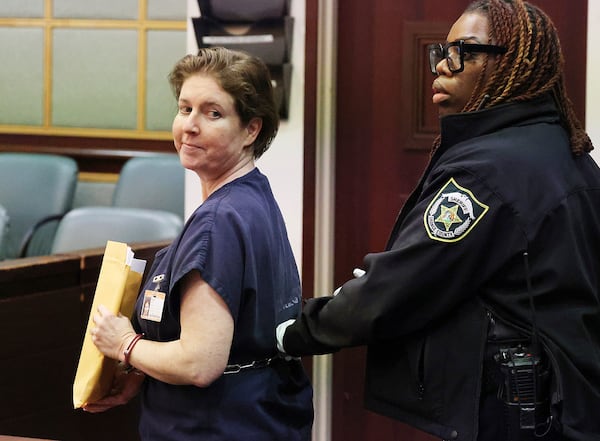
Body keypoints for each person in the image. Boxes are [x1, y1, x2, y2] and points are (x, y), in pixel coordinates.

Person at [277, 1, 600, 440]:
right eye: (442, 52)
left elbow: (401, 287)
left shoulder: (487, 171)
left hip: (525, 414)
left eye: (462, 52)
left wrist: (292, 332)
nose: (441, 68)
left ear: (516, 64)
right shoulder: (564, 151)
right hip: (573, 401)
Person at [84, 47, 313, 440]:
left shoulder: (219, 221)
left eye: (213, 113)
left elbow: (199, 363)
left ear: (251, 130)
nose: (189, 126)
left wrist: (124, 344)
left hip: (215, 426)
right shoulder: (251, 196)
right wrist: (142, 368)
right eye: (184, 108)